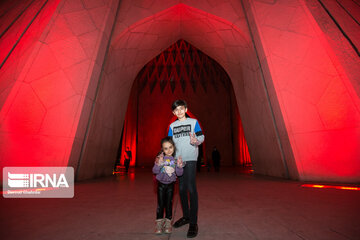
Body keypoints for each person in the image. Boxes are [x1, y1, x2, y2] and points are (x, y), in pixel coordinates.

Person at [168, 99, 204, 238]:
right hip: (179, 161)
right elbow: (171, 144)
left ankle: (193, 222)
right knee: (181, 189)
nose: (179, 111)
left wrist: (197, 141)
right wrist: (171, 159)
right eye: (176, 110)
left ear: (186, 109)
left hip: (190, 159)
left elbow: (201, 136)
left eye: (181, 108)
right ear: (173, 112)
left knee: (191, 188)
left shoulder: (193, 122)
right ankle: (186, 217)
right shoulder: (172, 126)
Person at [152, 137, 184, 234]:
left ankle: (168, 224)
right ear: (162, 149)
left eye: (170, 147)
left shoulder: (175, 160)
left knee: (169, 205)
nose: (168, 150)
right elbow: (154, 171)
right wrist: (158, 164)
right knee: (160, 205)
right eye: (166, 148)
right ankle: (159, 224)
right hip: (161, 185)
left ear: (174, 147)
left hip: (171, 186)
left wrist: (179, 166)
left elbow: (179, 173)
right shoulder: (160, 158)